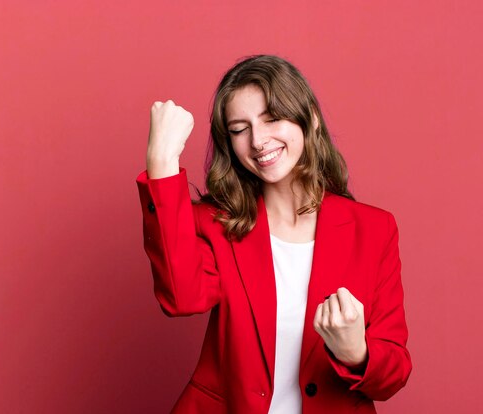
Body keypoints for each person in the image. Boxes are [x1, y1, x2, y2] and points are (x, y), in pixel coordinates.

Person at [135, 55, 412, 414]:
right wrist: (161, 161)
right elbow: (180, 299)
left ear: (310, 117)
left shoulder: (374, 230)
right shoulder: (216, 222)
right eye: (239, 128)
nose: (258, 140)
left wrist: (355, 352)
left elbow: (393, 375)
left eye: (272, 119)